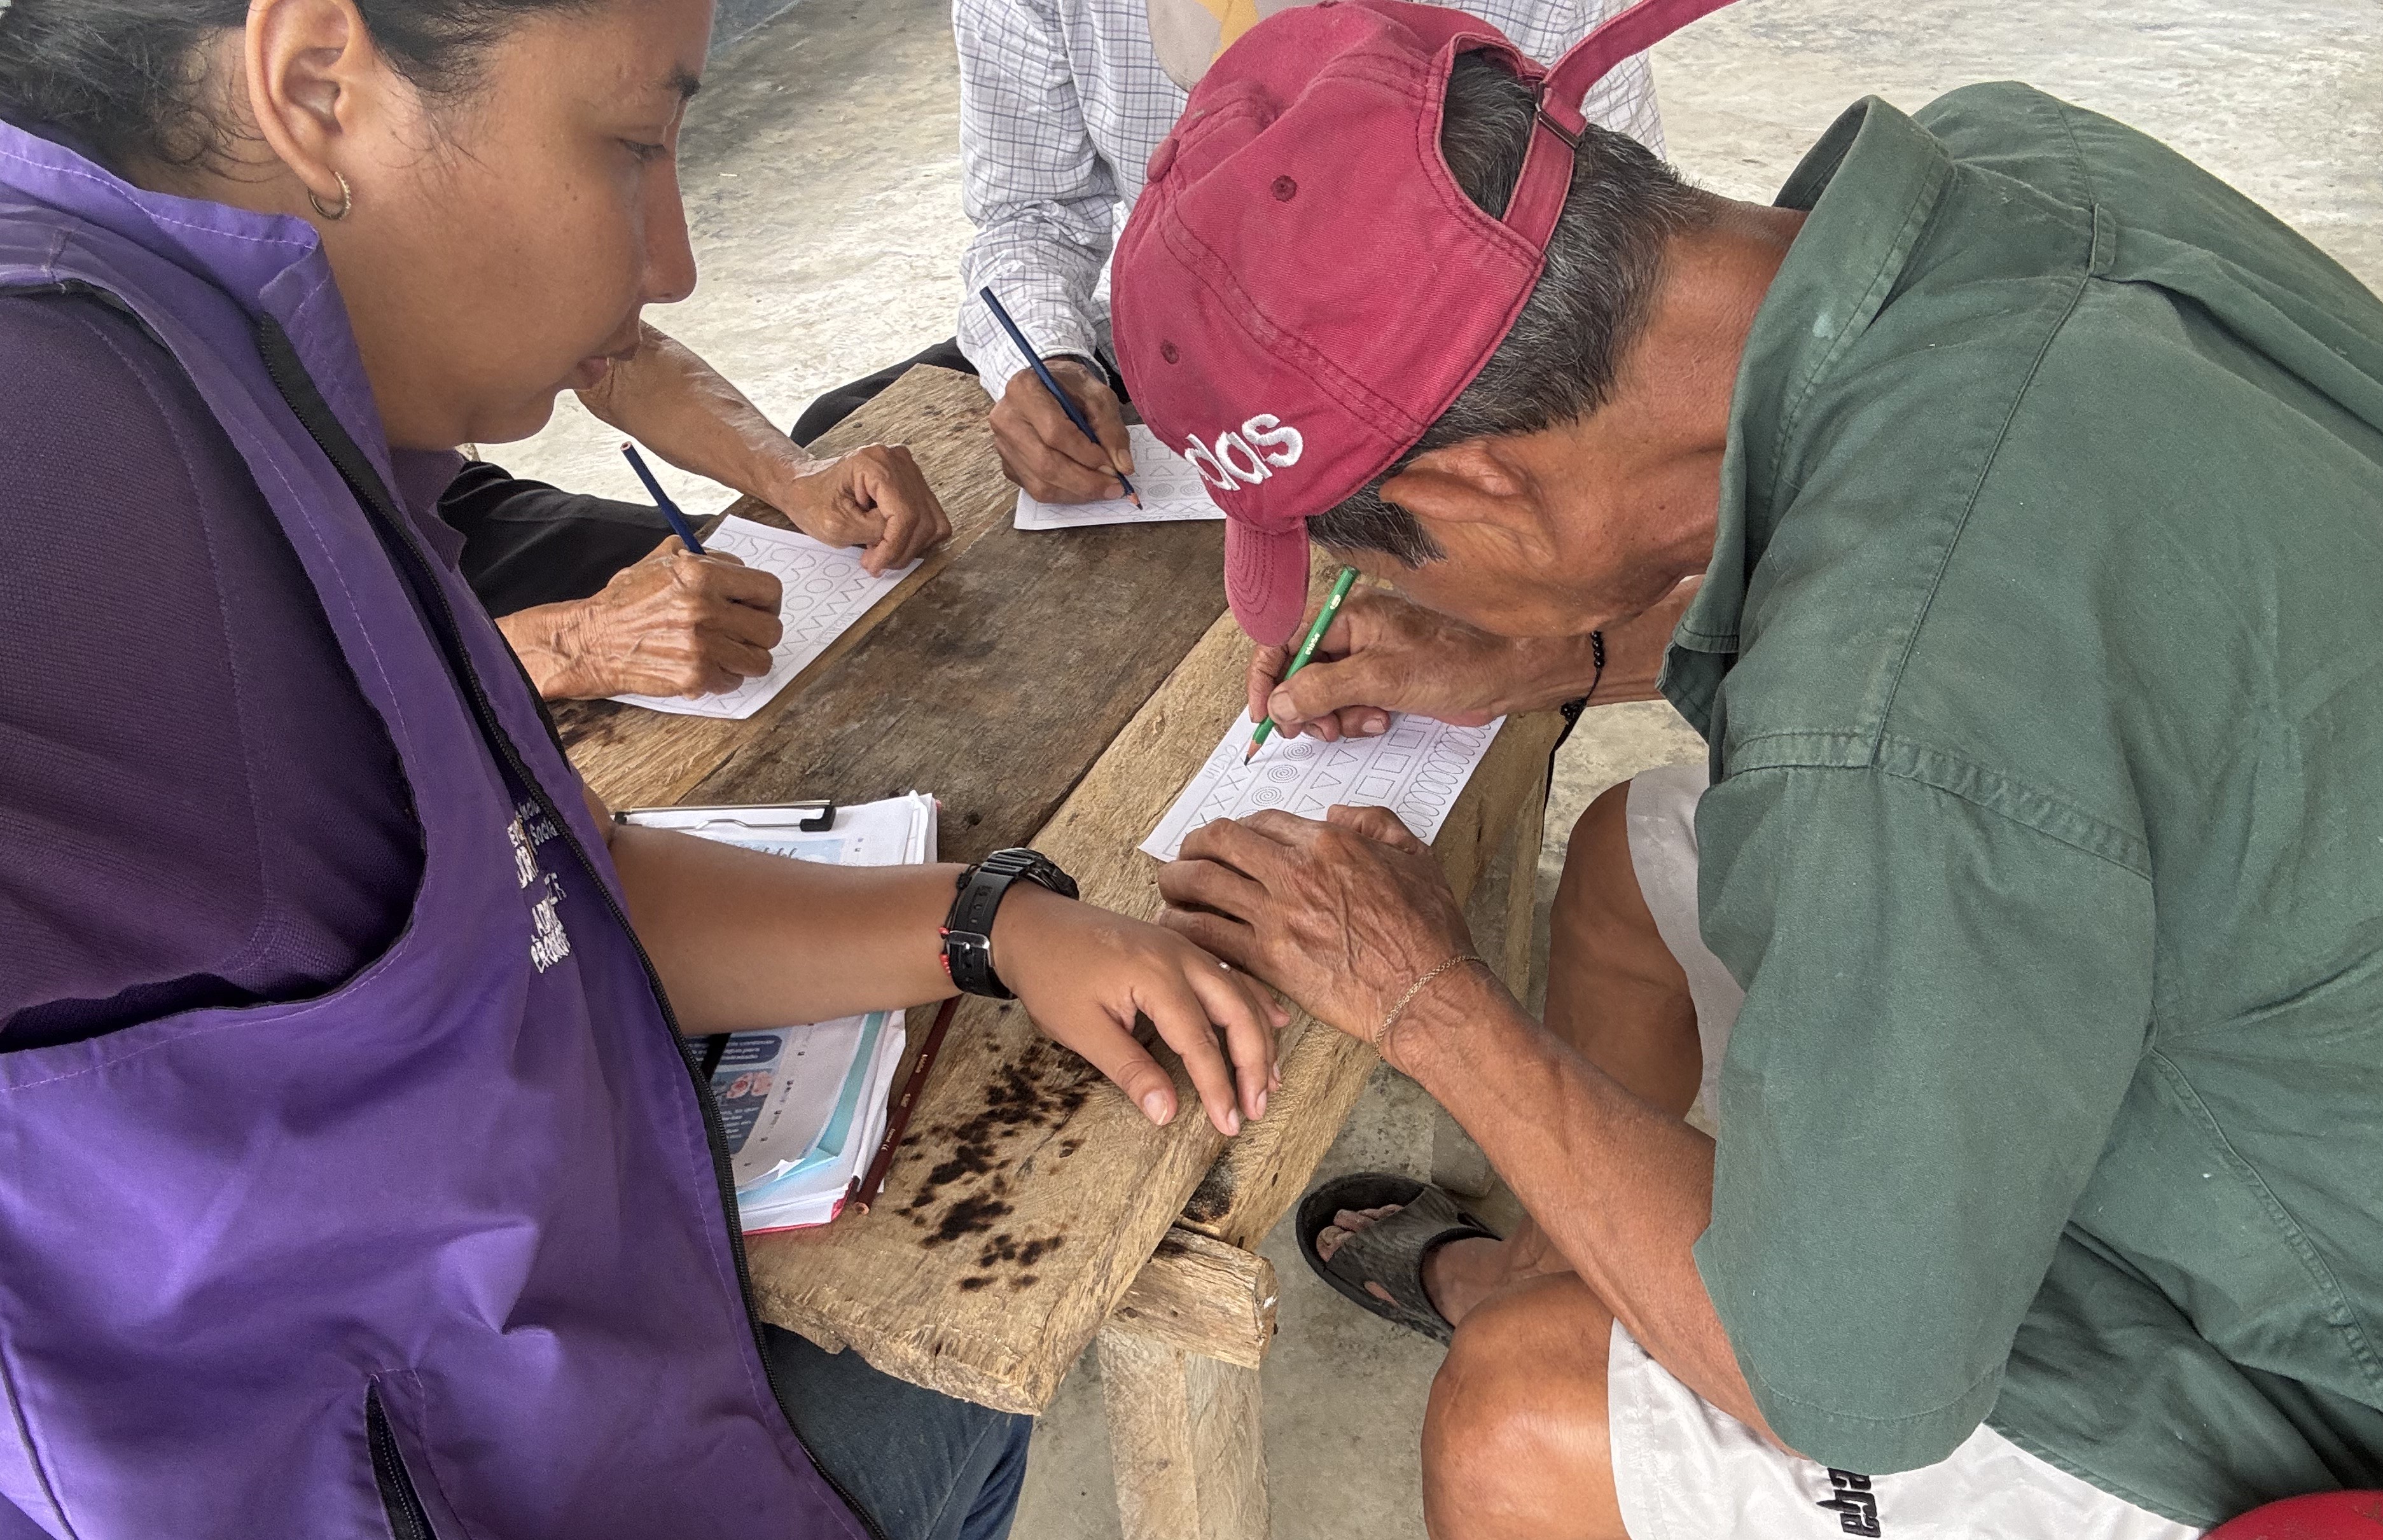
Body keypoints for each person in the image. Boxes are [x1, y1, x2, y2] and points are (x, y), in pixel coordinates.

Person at [0, 0, 1282, 1534]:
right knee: (973, 1362)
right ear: (318, 84)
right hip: (465, 1467)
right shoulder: (68, 459)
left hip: (562, 1353)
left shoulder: (253, 376)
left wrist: (992, 920)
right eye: (629, 144)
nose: (669, 260)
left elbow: (540, 883)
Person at [1113, 2, 2383, 1537]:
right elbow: (1976, 580)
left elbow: (1852, 1384)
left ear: (1483, 487)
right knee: (1627, 867)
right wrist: (1554, 656)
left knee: (1515, 1424)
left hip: (2312, 1336)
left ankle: (1549, 1323)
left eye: (1388, 556)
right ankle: (1556, 1272)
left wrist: (1423, 997)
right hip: (2250, 990)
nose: (1388, 595)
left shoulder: (1891, 718)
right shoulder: (2010, 165)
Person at [788, 0, 1658, 578]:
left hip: (1451, 362)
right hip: (1183, 335)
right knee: (843, 419)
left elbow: (1619, 256)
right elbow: (1029, 210)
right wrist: (1046, 360)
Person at [457, 323, 954, 702]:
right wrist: (576, 642)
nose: (679, 280)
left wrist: (793, 478)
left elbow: (612, 353)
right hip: (416, 658)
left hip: (449, 509)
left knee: (716, 593)